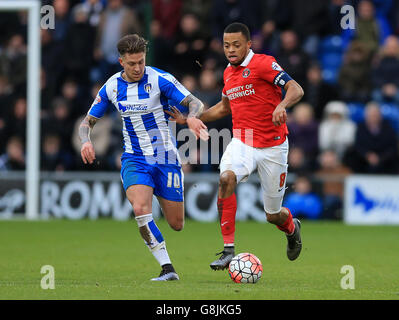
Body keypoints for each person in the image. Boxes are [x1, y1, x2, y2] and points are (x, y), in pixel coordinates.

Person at [167, 23, 304, 269]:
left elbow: (296, 89)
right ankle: (228, 250)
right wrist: (192, 118)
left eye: (236, 45)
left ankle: (292, 229)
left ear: (249, 44)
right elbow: (223, 108)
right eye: (226, 45)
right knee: (226, 178)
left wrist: (282, 106)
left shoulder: (263, 63)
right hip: (243, 141)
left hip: (274, 146)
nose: (230, 50)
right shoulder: (229, 73)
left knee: (273, 215)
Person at [79, 34, 208, 281]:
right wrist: (86, 140)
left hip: (166, 157)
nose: (138, 68)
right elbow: (87, 122)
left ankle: (160, 206)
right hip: (135, 158)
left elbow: (196, 103)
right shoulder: (112, 86)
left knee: (176, 223)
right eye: (132, 63)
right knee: (140, 208)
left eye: (141, 61)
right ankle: (167, 268)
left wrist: (191, 116)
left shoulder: (160, 79)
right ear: (121, 62)